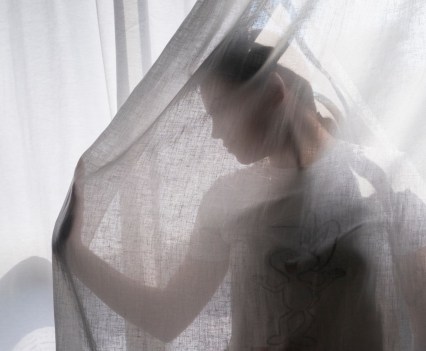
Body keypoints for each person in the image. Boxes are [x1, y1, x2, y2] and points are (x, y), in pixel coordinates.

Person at [57, 31, 426, 350]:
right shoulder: (227, 198)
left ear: (273, 92)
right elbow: (166, 316)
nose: (216, 132)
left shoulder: (384, 178)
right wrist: (75, 253)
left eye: (220, 110)